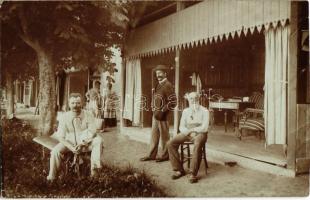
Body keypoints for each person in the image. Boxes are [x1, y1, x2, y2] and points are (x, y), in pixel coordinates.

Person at [47, 93, 104, 181]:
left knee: (98, 140)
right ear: (69, 104)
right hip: (70, 143)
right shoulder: (64, 117)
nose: (75, 106)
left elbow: (92, 131)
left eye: (78, 103)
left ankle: (94, 172)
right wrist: (71, 147)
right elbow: (61, 136)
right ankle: (52, 177)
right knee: (55, 151)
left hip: (85, 143)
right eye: (73, 103)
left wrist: (82, 144)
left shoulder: (88, 114)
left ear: (82, 104)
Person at [167, 91, 209, 183]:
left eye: (195, 99)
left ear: (199, 99)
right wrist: (189, 131)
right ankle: (179, 170)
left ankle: (193, 174)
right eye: (191, 99)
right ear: (188, 100)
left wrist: (195, 131)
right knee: (170, 143)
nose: (193, 101)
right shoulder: (186, 111)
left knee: (197, 144)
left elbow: (205, 127)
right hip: (188, 133)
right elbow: (181, 126)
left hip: (201, 133)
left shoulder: (205, 111)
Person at [140, 64, 177, 162]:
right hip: (156, 115)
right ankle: (152, 155)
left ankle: (165, 155)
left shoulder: (168, 85)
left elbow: (173, 102)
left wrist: (162, 111)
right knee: (154, 135)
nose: (158, 75)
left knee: (165, 136)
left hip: (163, 116)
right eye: (157, 73)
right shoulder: (158, 84)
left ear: (165, 74)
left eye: (160, 73)